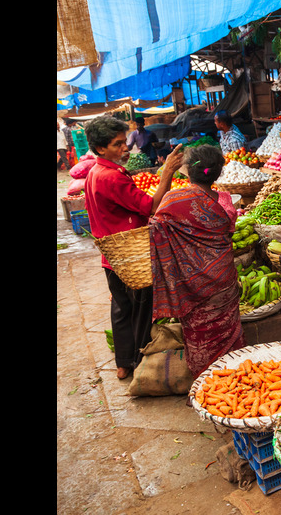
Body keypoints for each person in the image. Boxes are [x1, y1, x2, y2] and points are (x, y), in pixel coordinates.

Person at [82, 115, 186, 380]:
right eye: (118, 145)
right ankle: (141, 364)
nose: (125, 148)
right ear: (101, 148)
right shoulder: (113, 177)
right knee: (141, 309)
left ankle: (123, 363)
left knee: (120, 309)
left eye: (124, 142)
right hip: (132, 256)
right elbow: (151, 207)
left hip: (112, 258)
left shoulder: (95, 172)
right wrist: (168, 171)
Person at [149, 144, 246, 377]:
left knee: (198, 331)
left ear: (187, 171)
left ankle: (206, 381)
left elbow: (156, 224)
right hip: (223, 278)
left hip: (192, 285)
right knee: (229, 329)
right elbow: (229, 228)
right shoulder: (225, 201)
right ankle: (236, 376)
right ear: (218, 173)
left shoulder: (173, 199)